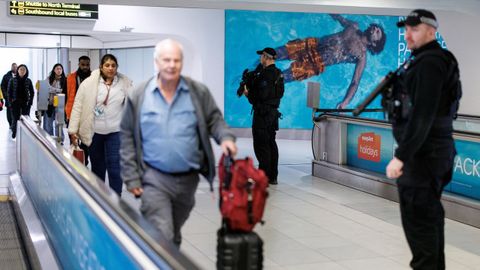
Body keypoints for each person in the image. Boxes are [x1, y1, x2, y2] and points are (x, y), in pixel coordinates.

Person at [120, 39, 237, 247]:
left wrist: (226, 138)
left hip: (188, 180)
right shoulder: (139, 94)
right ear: (156, 62)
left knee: (172, 231)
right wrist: (131, 177)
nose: (171, 65)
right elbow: (127, 135)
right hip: (153, 177)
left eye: (176, 60)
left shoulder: (197, 92)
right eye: (166, 60)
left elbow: (214, 120)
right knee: (162, 233)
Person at [386, 9, 460, 270]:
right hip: (432, 154)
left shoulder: (430, 63)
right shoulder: (431, 60)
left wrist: (401, 156)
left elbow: (423, 115)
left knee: (420, 226)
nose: (407, 35)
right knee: (428, 221)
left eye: (414, 29)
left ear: (432, 31)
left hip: (424, 157)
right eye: (406, 29)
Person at [275, 14, 386, 109]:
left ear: (374, 44)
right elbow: (338, 18)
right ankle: (258, 67)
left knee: (281, 77)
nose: (376, 28)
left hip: (315, 63)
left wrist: (345, 102)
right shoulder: (353, 26)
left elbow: (355, 82)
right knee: (274, 54)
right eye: (376, 28)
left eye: (378, 32)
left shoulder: (361, 56)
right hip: (312, 44)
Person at [68, 54, 132, 196]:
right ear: (101, 67)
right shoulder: (89, 83)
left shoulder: (124, 83)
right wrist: (73, 130)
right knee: (98, 169)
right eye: (107, 65)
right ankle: (100, 200)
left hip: (115, 131)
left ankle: (116, 202)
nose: (110, 68)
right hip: (94, 132)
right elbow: (78, 106)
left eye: (113, 65)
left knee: (115, 168)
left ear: (117, 68)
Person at [243, 47, 284, 185]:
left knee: (262, 146)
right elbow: (277, 95)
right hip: (273, 115)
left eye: (262, 56)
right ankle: (273, 176)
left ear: (266, 57)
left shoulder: (265, 75)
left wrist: (249, 94)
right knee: (271, 143)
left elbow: (260, 96)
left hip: (263, 114)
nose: (260, 58)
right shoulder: (278, 73)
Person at [66, 55, 91, 165]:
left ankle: (84, 161)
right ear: (78, 64)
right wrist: (65, 114)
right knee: (73, 139)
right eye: (83, 64)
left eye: (87, 65)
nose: (85, 67)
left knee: (86, 140)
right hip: (73, 113)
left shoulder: (94, 78)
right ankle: (76, 160)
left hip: (89, 114)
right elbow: (66, 95)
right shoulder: (71, 77)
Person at [7, 64, 34, 139]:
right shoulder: (12, 80)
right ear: (18, 70)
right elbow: (9, 92)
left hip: (25, 102)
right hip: (15, 102)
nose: (22, 71)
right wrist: (10, 103)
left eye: (24, 70)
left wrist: (30, 102)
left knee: (25, 118)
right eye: (21, 69)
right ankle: (14, 131)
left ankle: (25, 134)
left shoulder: (28, 81)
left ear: (26, 71)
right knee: (15, 118)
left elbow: (32, 92)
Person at [43, 63, 67, 137]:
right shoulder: (49, 78)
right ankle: (48, 138)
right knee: (48, 123)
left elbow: (65, 91)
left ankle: (60, 139)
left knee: (59, 123)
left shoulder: (65, 80)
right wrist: (59, 90)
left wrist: (55, 90)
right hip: (49, 103)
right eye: (57, 69)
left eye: (60, 69)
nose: (59, 70)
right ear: (54, 70)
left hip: (60, 104)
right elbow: (47, 88)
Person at [1, 63, 17, 129]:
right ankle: (11, 124)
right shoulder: (6, 76)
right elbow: (2, 86)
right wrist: (5, 95)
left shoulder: (19, 76)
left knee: (17, 112)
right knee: (9, 113)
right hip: (9, 98)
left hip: (17, 98)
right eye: (13, 67)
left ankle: (15, 125)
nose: (15, 68)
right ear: (11, 68)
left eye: (16, 67)